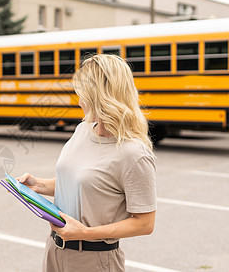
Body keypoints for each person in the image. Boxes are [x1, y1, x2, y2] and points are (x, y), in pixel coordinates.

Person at [18, 54, 157, 272]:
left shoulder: (133, 154)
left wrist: (84, 233)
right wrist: (38, 185)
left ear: (100, 97)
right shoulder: (82, 130)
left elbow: (145, 223)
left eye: (83, 93)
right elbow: (83, 181)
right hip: (54, 250)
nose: (79, 99)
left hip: (93, 260)